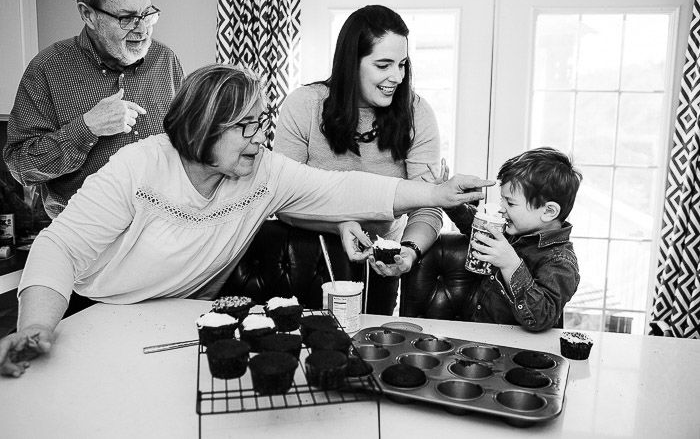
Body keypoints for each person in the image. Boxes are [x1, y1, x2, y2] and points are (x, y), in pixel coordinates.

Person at [0, 64, 492, 377]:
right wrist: (37, 326)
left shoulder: (263, 171)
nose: (261, 138)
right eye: (247, 127)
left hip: (183, 319)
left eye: (263, 123)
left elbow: (342, 188)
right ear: (202, 127)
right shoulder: (138, 167)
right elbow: (58, 247)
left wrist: (435, 193)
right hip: (99, 313)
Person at [275, 5, 442, 315]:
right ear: (351, 63)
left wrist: (409, 250)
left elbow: (427, 204)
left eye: (402, 64)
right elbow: (281, 197)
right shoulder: (304, 105)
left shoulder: (417, 112)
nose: (397, 77)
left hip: (381, 262)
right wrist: (339, 223)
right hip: (310, 257)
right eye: (383, 65)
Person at [2, 0, 184, 219]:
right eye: (127, 18)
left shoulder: (166, 60)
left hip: (161, 231)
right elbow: (21, 167)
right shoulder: (47, 69)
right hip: (86, 242)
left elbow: (184, 145)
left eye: (147, 14)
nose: (142, 30)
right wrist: (87, 128)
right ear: (88, 14)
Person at [431, 147, 582, 332]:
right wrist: (448, 200)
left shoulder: (560, 261)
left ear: (548, 211)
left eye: (510, 203)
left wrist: (511, 265)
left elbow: (541, 317)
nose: (502, 208)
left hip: (519, 351)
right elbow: (475, 226)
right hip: (481, 336)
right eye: (503, 200)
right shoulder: (513, 231)